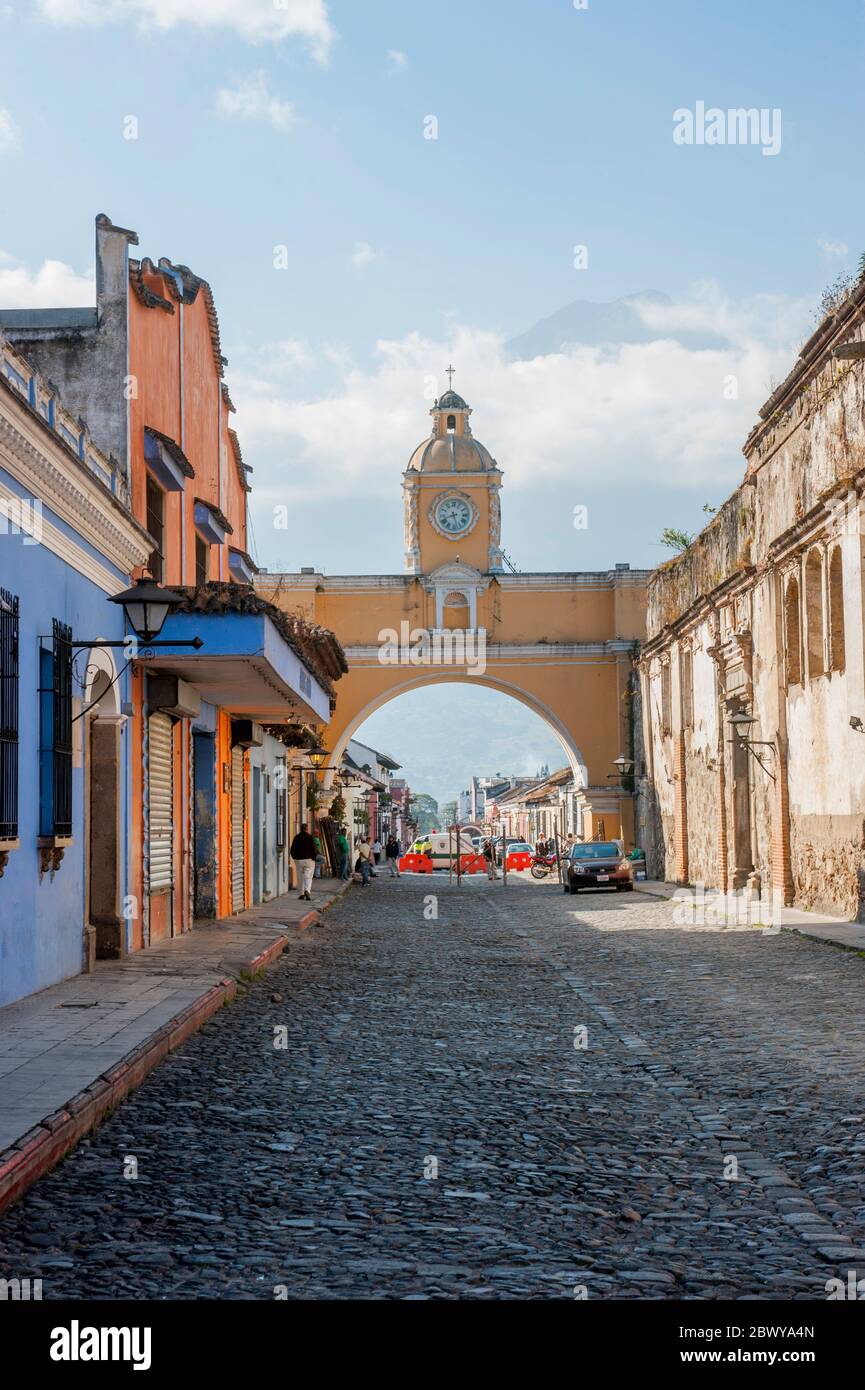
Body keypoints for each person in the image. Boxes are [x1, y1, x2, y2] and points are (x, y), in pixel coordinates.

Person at [290, 823, 318, 901]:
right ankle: (307, 890)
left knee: (300, 876)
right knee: (308, 876)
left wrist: (294, 857)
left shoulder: (297, 837)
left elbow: (292, 849)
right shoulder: (310, 837)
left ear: (300, 828)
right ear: (307, 829)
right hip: (309, 860)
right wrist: (314, 857)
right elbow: (314, 848)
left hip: (298, 860)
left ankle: (301, 894)